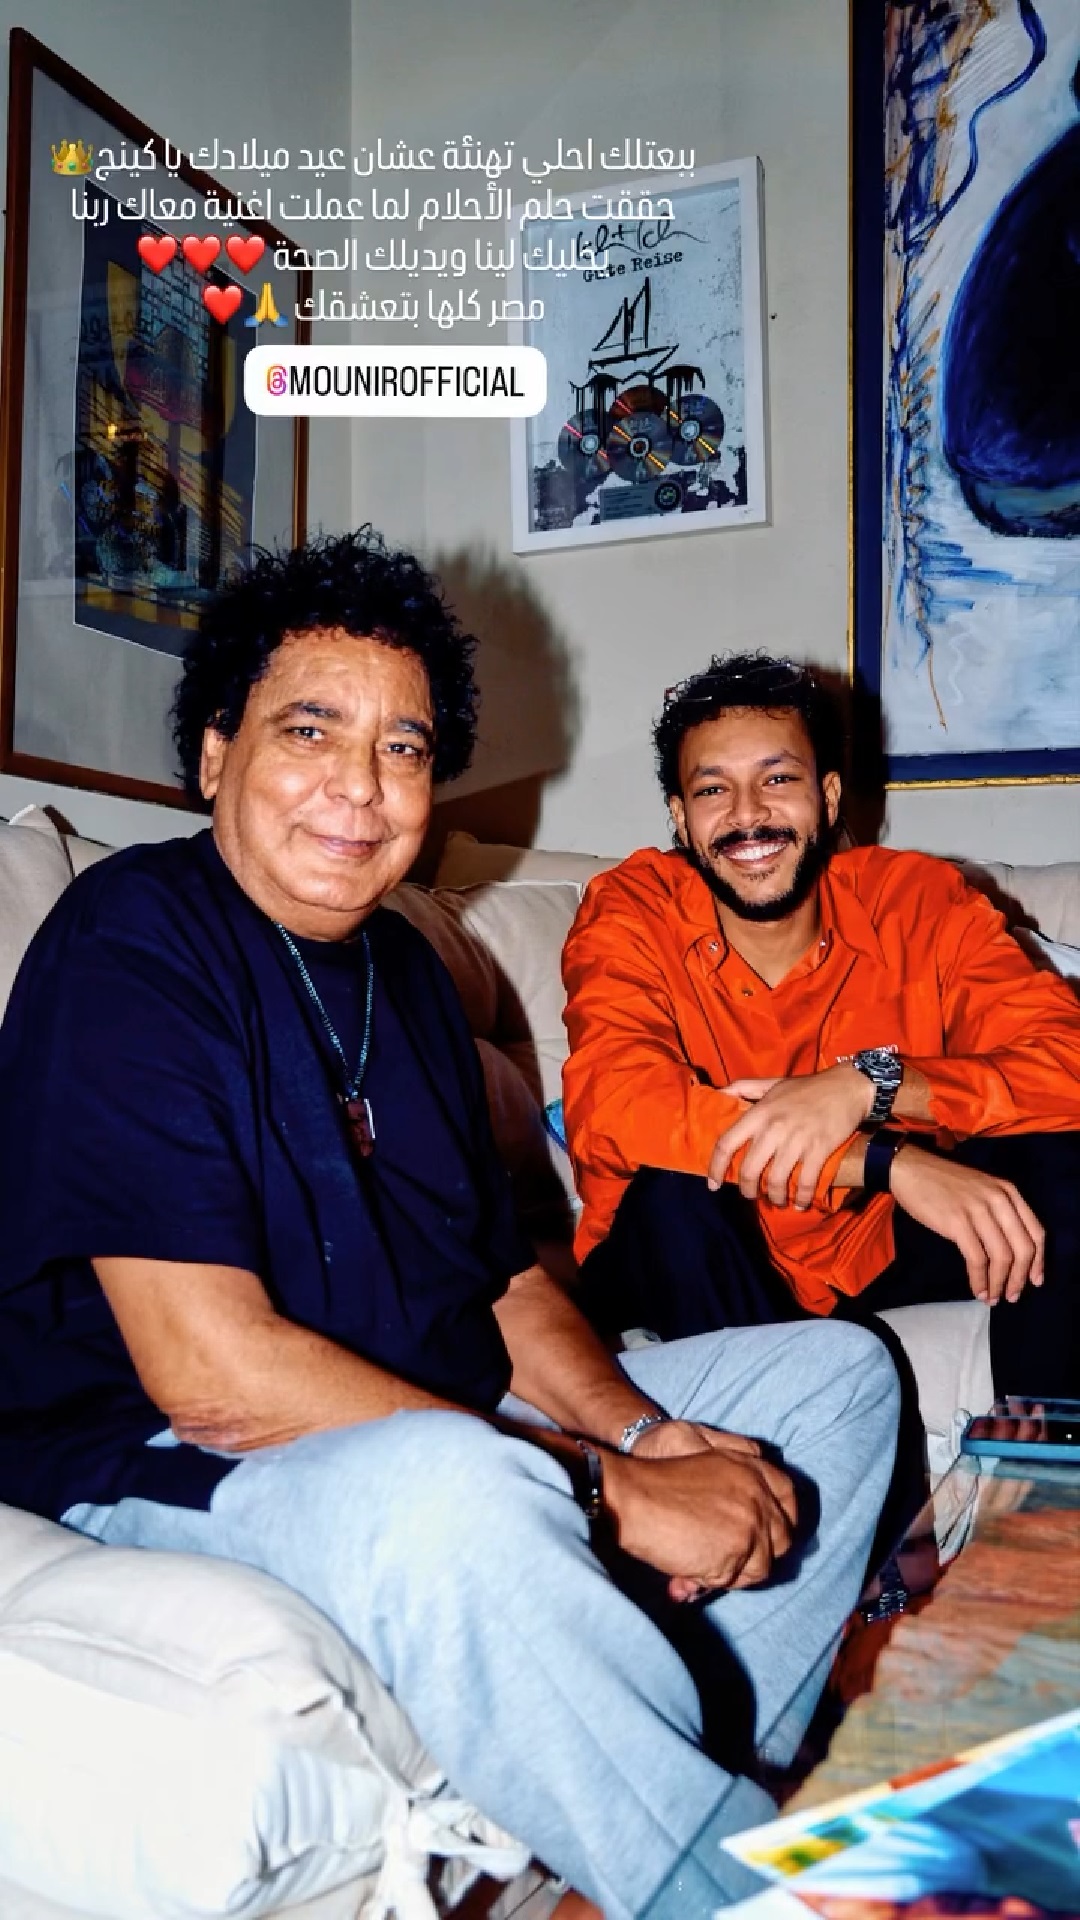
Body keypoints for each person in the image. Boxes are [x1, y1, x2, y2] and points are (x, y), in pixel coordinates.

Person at [0, 544, 900, 1920]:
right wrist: (606, 1490)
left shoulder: (408, 975)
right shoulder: (133, 938)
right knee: (459, 1487)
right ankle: (740, 1888)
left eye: (403, 748)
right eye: (311, 731)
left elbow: (504, 1286)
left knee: (839, 1380)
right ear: (216, 752)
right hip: (160, 1453)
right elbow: (210, 1375)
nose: (361, 787)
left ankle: (670, 1799)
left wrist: (646, 1433)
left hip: (412, 1410)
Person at [562, 652, 1080, 1407]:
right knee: (673, 1191)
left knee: (1061, 1153)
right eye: (713, 789)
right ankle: (767, 1466)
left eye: (777, 779)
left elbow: (1065, 1061)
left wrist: (872, 1083)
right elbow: (616, 1102)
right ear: (680, 816)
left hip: (869, 1238)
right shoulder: (631, 909)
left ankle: (1039, 1468)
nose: (747, 814)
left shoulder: (919, 902)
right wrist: (882, 1160)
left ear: (828, 797)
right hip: (693, 1241)